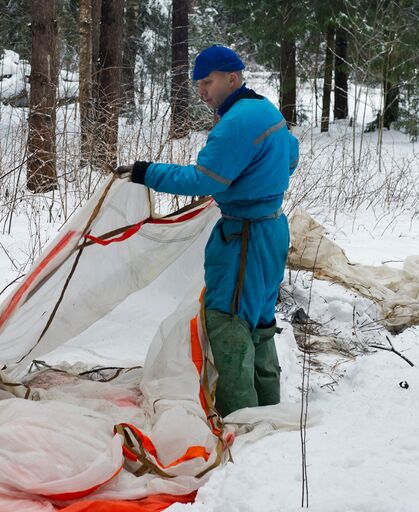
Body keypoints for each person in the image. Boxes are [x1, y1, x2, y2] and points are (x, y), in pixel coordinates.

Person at [115, 45, 299, 417]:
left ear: (232, 78)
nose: (202, 91)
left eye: (208, 82)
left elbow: (204, 179)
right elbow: (290, 155)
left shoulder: (237, 122)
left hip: (244, 239)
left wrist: (144, 172)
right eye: (198, 84)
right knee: (259, 321)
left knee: (228, 321)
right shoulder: (265, 110)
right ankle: (267, 409)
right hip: (272, 230)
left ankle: (239, 419)